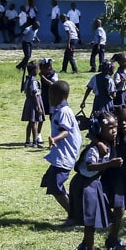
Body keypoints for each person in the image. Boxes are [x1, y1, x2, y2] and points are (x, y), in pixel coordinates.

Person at [71, 113, 124, 250]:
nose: (114, 131)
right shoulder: (95, 148)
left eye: (115, 127)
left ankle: (85, 245)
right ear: (99, 130)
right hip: (86, 184)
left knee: (92, 219)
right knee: (90, 219)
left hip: (94, 183)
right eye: (109, 128)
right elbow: (90, 165)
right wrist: (110, 164)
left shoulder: (107, 143)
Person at [41, 79, 82, 217]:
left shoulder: (64, 111)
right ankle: (76, 210)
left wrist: (54, 139)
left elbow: (65, 131)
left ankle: (73, 215)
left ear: (60, 96)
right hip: (60, 155)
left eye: (51, 96)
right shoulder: (63, 110)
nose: (49, 99)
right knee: (51, 181)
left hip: (64, 156)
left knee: (55, 186)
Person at [102, 105, 126, 250]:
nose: (124, 124)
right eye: (120, 121)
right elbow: (94, 132)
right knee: (118, 208)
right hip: (112, 175)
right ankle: (111, 239)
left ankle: (113, 238)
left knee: (120, 209)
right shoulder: (113, 137)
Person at [20, 61, 46, 148]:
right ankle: (35, 141)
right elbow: (35, 93)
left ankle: (27, 140)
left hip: (29, 101)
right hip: (34, 102)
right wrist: (38, 106)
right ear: (34, 70)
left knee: (30, 122)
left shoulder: (28, 79)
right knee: (34, 122)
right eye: (37, 68)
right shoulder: (33, 80)